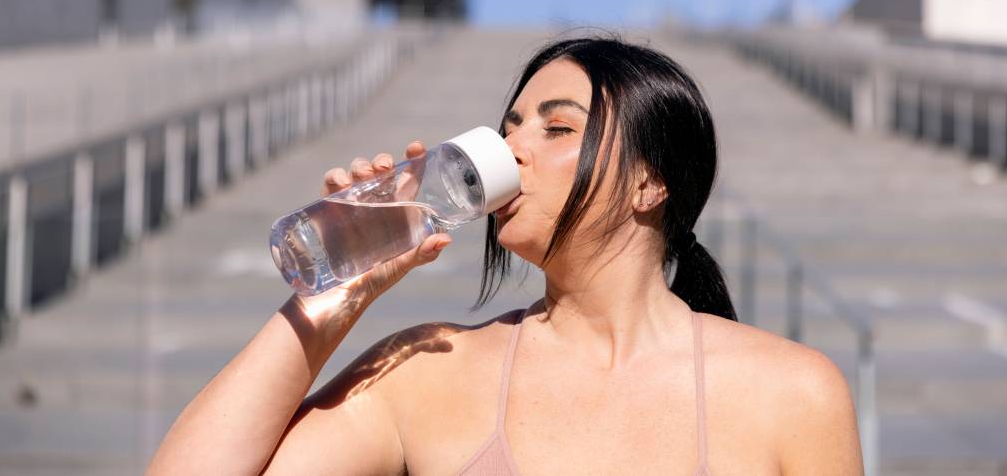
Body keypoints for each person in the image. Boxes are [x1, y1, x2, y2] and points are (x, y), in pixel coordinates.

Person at [148, 33, 863, 475]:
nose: (512, 149)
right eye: (508, 126)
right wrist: (334, 296)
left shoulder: (792, 393)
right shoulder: (430, 372)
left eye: (557, 128)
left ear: (650, 181)